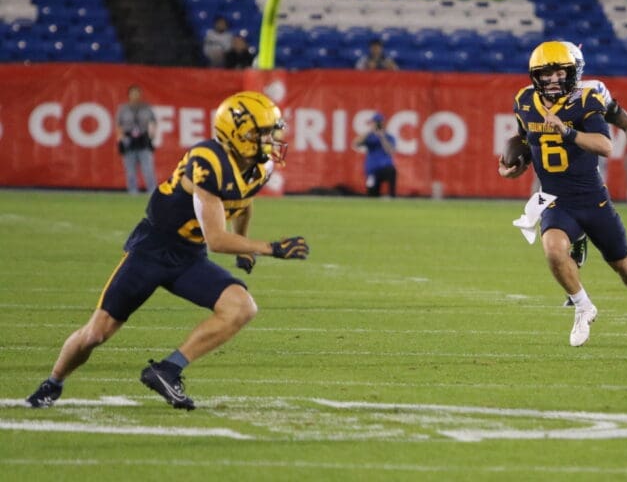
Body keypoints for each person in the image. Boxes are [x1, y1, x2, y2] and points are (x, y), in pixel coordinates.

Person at [26, 91, 309, 410]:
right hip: (153, 249)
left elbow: (243, 202)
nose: (271, 139)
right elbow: (216, 238)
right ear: (236, 133)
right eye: (262, 132)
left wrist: (243, 244)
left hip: (189, 257)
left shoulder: (260, 167)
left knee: (242, 307)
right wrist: (270, 248)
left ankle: (167, 370)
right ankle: (52, 384)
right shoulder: (208, 160)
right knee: (97, 332)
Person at [498, 40, 627, 355]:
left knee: (624, 266)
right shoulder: (523, 100)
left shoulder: (587, 99)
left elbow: (605, 146)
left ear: (572, 72)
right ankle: (583, 306)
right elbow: (527, 140)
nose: (552, 79)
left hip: (592, 198)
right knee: (552, 249)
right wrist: (512, 167)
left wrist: (566, 131)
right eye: (544, 74)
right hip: (554, 198)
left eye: (559, 72)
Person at [558, 42, 627, 306]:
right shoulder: (534, 94)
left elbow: (625, 122)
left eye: (562, 71)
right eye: (551, 71)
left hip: (584, 166)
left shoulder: (593, 91)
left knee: (590, 220)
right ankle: (574, 282)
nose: (555, 78)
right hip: (553, 170)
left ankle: (580, 246)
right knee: (556, 236)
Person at [116, 85, 158, 195]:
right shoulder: (123, 109)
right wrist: (120, 140)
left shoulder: (146, 108)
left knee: (148, 169)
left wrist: (151, 137)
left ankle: (152, 191)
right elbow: (119, 125)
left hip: (143, 140)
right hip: (129, 140)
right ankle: (132, 192)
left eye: (137, 93)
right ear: (129, 95)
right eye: (133, 93)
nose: (135, 96)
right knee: (130, 171)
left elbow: (153, 122)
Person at [353, 112, 397, 197]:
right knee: (372, 195)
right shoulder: (370, 137)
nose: (373, 124)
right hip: (372, 171)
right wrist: (370, 132)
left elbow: (390, 151)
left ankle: (392, 196)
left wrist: (382, 136)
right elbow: (356, 144)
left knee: (392, 171)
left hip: (385, 169)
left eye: (374, 123)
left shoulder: (388, 137)